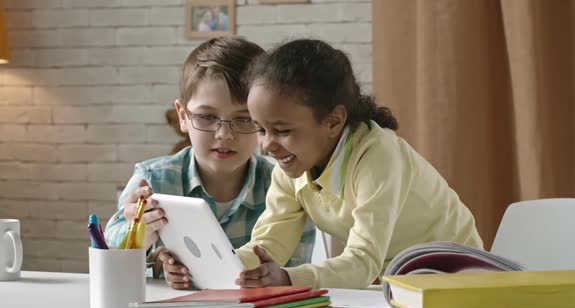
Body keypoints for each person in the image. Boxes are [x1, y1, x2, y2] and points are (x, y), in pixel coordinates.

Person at [235, 39, 484, 289]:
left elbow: (363, 262)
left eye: (282, 130)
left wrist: (289, 278)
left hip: (459, 277)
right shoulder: (292, 166)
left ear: (333, 121)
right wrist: (225, 265)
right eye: (260, 129)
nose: (267, 145)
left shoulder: (378, 157)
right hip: (402, 285)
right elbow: (268, 245)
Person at [104, 37, 316, 290]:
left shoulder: (289, 187)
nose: (224, 135)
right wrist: (148, 252)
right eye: (206, 117)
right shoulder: (153, 179)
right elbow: (110, 252)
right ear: (183, 116)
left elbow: (291, 277)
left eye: (244, 119)